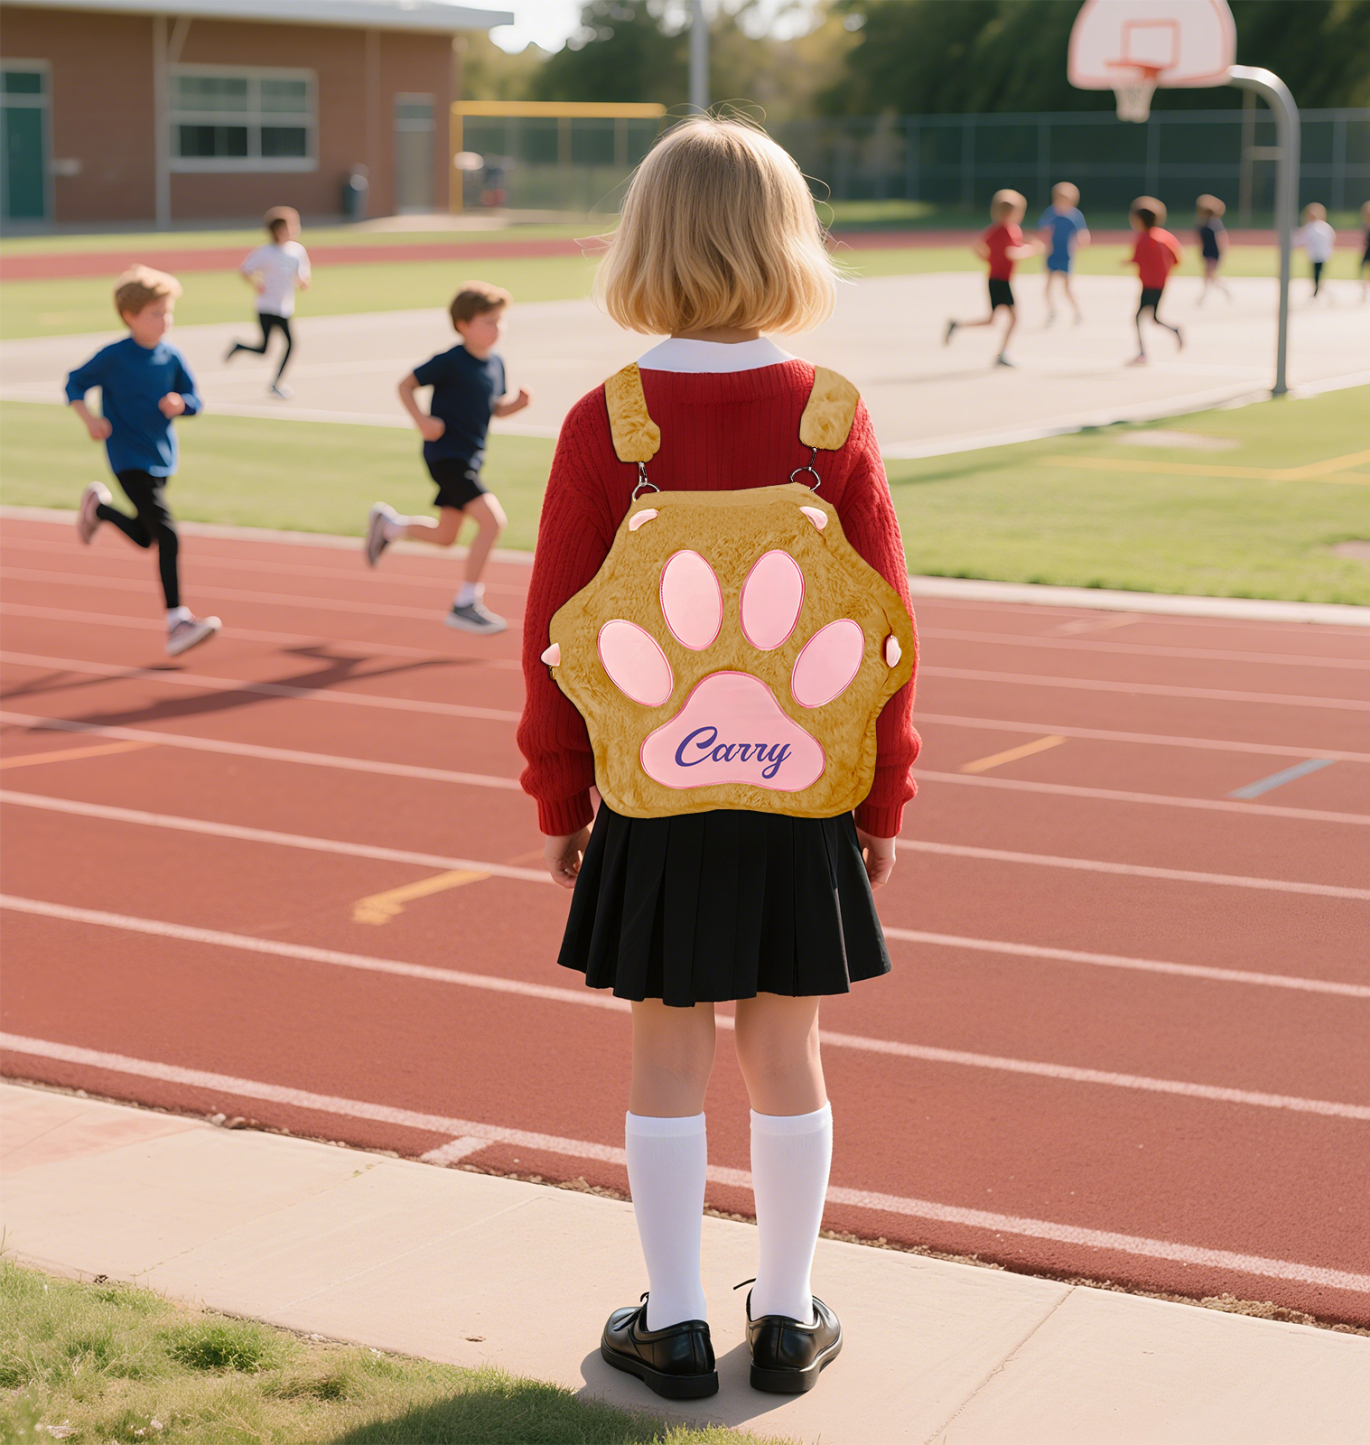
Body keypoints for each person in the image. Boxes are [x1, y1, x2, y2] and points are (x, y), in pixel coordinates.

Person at [518, 117, 919, 1401]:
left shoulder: (608, 422)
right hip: (801, 788)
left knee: (665, 1055)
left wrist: (557, 794)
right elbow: (885, 635)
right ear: (787, 241)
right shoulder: (832, 415)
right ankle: (791, 1315)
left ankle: (678, 1323)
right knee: (785, 1054)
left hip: (656, 789)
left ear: (641, 242)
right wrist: (884, 792)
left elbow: (551, 637)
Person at [70, 266, 221, 658]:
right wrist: (90, 419)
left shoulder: (172, 357)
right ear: (130, 316)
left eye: (167, 312)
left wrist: (181, 404)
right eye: (155, 313)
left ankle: (98, 509)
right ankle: (177, 621)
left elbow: (195, 400)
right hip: (126, 457)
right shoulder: (114, 357)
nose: (164, 320)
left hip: (161, 458)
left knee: (145, 536)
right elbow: (74, 382)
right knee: (168, 535)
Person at [364, 282, 530, 635]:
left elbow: (493, 408)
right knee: (492, 522)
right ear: (464, 325)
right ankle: (465, 603)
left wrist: (514, 406)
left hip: (469, 458)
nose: (497, 328)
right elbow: (405, 385)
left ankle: (389, 525)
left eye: (500, 321)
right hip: (447, 456)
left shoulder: (496, 364)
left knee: (445, 536)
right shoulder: (451, 361)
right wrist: (422, 421)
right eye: (489, 321)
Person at [943, 189, 1040, 366]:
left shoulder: (995, 230)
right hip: (1001, 281)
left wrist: (989, 260)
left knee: (992, 320)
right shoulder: (1008, 230)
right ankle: (1003, 353)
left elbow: (977, 246)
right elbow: (1011, 253)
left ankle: (958, 325)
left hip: (995, 278)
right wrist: (1031, 249)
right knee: (1013, 318)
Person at [226, 206, 310, 399]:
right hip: (266, 306)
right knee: (264, 349)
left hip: (284, 307)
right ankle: (240, 347)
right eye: (291, 226)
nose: (296, 229)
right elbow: (245, 270)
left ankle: (275, 383)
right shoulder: (265, 252)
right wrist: (256, 284)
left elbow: (302, 274)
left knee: (290, 344)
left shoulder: (297, 251)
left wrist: (303, 282)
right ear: (279, 230)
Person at [1124, 197, 1184, 364]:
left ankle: (1142, 352)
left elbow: (1137, 258)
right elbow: (1176, 258)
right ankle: (1173, 330)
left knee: (1139, 318)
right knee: (1153, 318)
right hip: (1160, 284)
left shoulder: (1143, 239)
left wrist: (1127, 262)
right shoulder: (1165, 237)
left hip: (1149, 285)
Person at [1038, 181, 1090, 324]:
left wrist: (1082, 240)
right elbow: (1045, 231)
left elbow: (1083, 233)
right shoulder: (1051, 213)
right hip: (1052, 254)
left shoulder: (1075, 215)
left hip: (1066, 254)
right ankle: (1051, 311)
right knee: (1048, 285)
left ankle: (1077, 312)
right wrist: (1043, 245)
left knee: (1067, 288)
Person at [1295, 203, 1336, 299]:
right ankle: (1318, 289)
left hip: (1320, 254)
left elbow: (1300, 239)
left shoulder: (1318, 227)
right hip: (1316, 254)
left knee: (1317, 274)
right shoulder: (1317, 227)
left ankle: (1318, 291)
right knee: (1316, 273)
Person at [1195, 194, 1231, 304]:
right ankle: (1223, 291)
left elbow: (1221, 238)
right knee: (1210, 276)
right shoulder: (1202, 223)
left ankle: (1204, 297)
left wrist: (1223, 251)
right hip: (1206, 252)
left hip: (1213, 252)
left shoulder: (1213, 223)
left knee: (1210, 276)